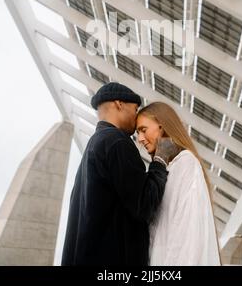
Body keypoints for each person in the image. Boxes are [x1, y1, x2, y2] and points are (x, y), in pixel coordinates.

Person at [61, 83, 179, 266]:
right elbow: (144, 204)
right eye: (135, 108)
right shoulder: (116, 142)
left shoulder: (94, 145)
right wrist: (161, 159)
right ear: (119, 104)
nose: (136, 116)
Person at [136, 102, 221, 266]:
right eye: (137, 133)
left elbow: (188, 235)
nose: (140, 139)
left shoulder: (186, 164)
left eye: (143, 130)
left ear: (161, 127)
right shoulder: (169, 168)